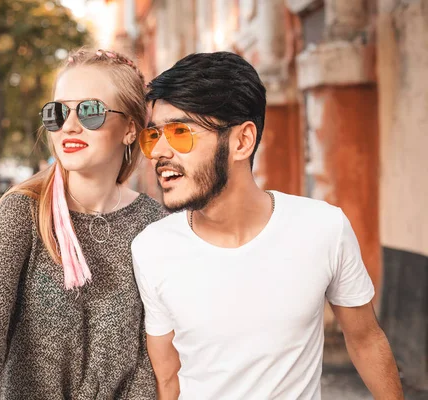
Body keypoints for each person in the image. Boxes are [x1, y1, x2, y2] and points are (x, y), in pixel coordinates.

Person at [131, 52, 403, 399]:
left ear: (242, 141)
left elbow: (365, 339)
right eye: (154, 135)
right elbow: (167, 378)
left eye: (180, 131)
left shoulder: (322, 227)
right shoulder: (152, 248)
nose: (157, 152)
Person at [0, 49, 166, 399]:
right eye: (58, 112)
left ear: (130, 128)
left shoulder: (154, 224)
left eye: (90, 111)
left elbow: (150, 359)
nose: (70, 125)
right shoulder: (23, 212)